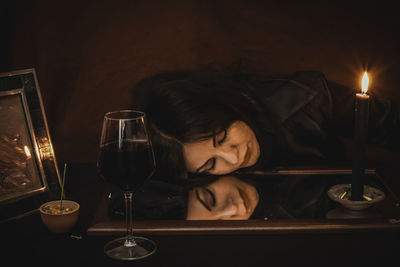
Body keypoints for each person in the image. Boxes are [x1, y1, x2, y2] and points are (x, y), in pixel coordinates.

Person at [132, 64, 400, 181]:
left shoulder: (311, 97)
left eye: (222, 137)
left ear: (223, 104)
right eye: (210, 164)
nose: (232, 157)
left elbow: (392, 125)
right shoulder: (180, 173)